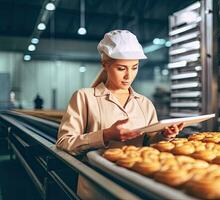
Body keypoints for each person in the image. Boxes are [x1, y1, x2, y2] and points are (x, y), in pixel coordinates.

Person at [56, 30, 183, 200]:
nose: (128, 76)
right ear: (105, 65)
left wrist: (164, 135)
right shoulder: (84, 97)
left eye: (134, 67)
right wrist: (105, 135)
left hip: (135, 187)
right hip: (96, 188)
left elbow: (151, 144)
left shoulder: (144, 103)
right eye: (121, 68)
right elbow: (64, 142)